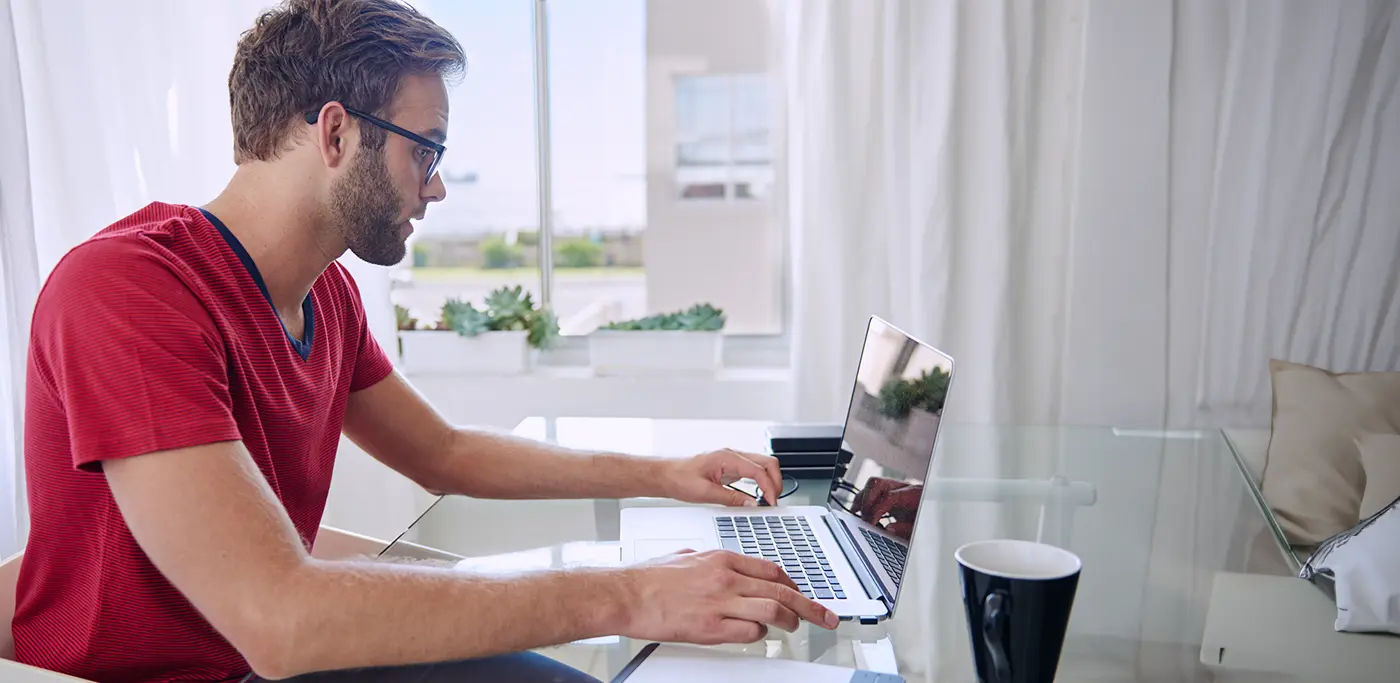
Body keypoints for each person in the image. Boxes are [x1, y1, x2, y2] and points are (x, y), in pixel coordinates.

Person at [13, 1, 837, 682]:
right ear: (335, 135)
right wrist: (626, 593)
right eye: (426, 149)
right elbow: (277, 617)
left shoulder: (324, 294)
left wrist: (666, 475)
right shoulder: (130, 292)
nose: (436, 184)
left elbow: (443, 451)